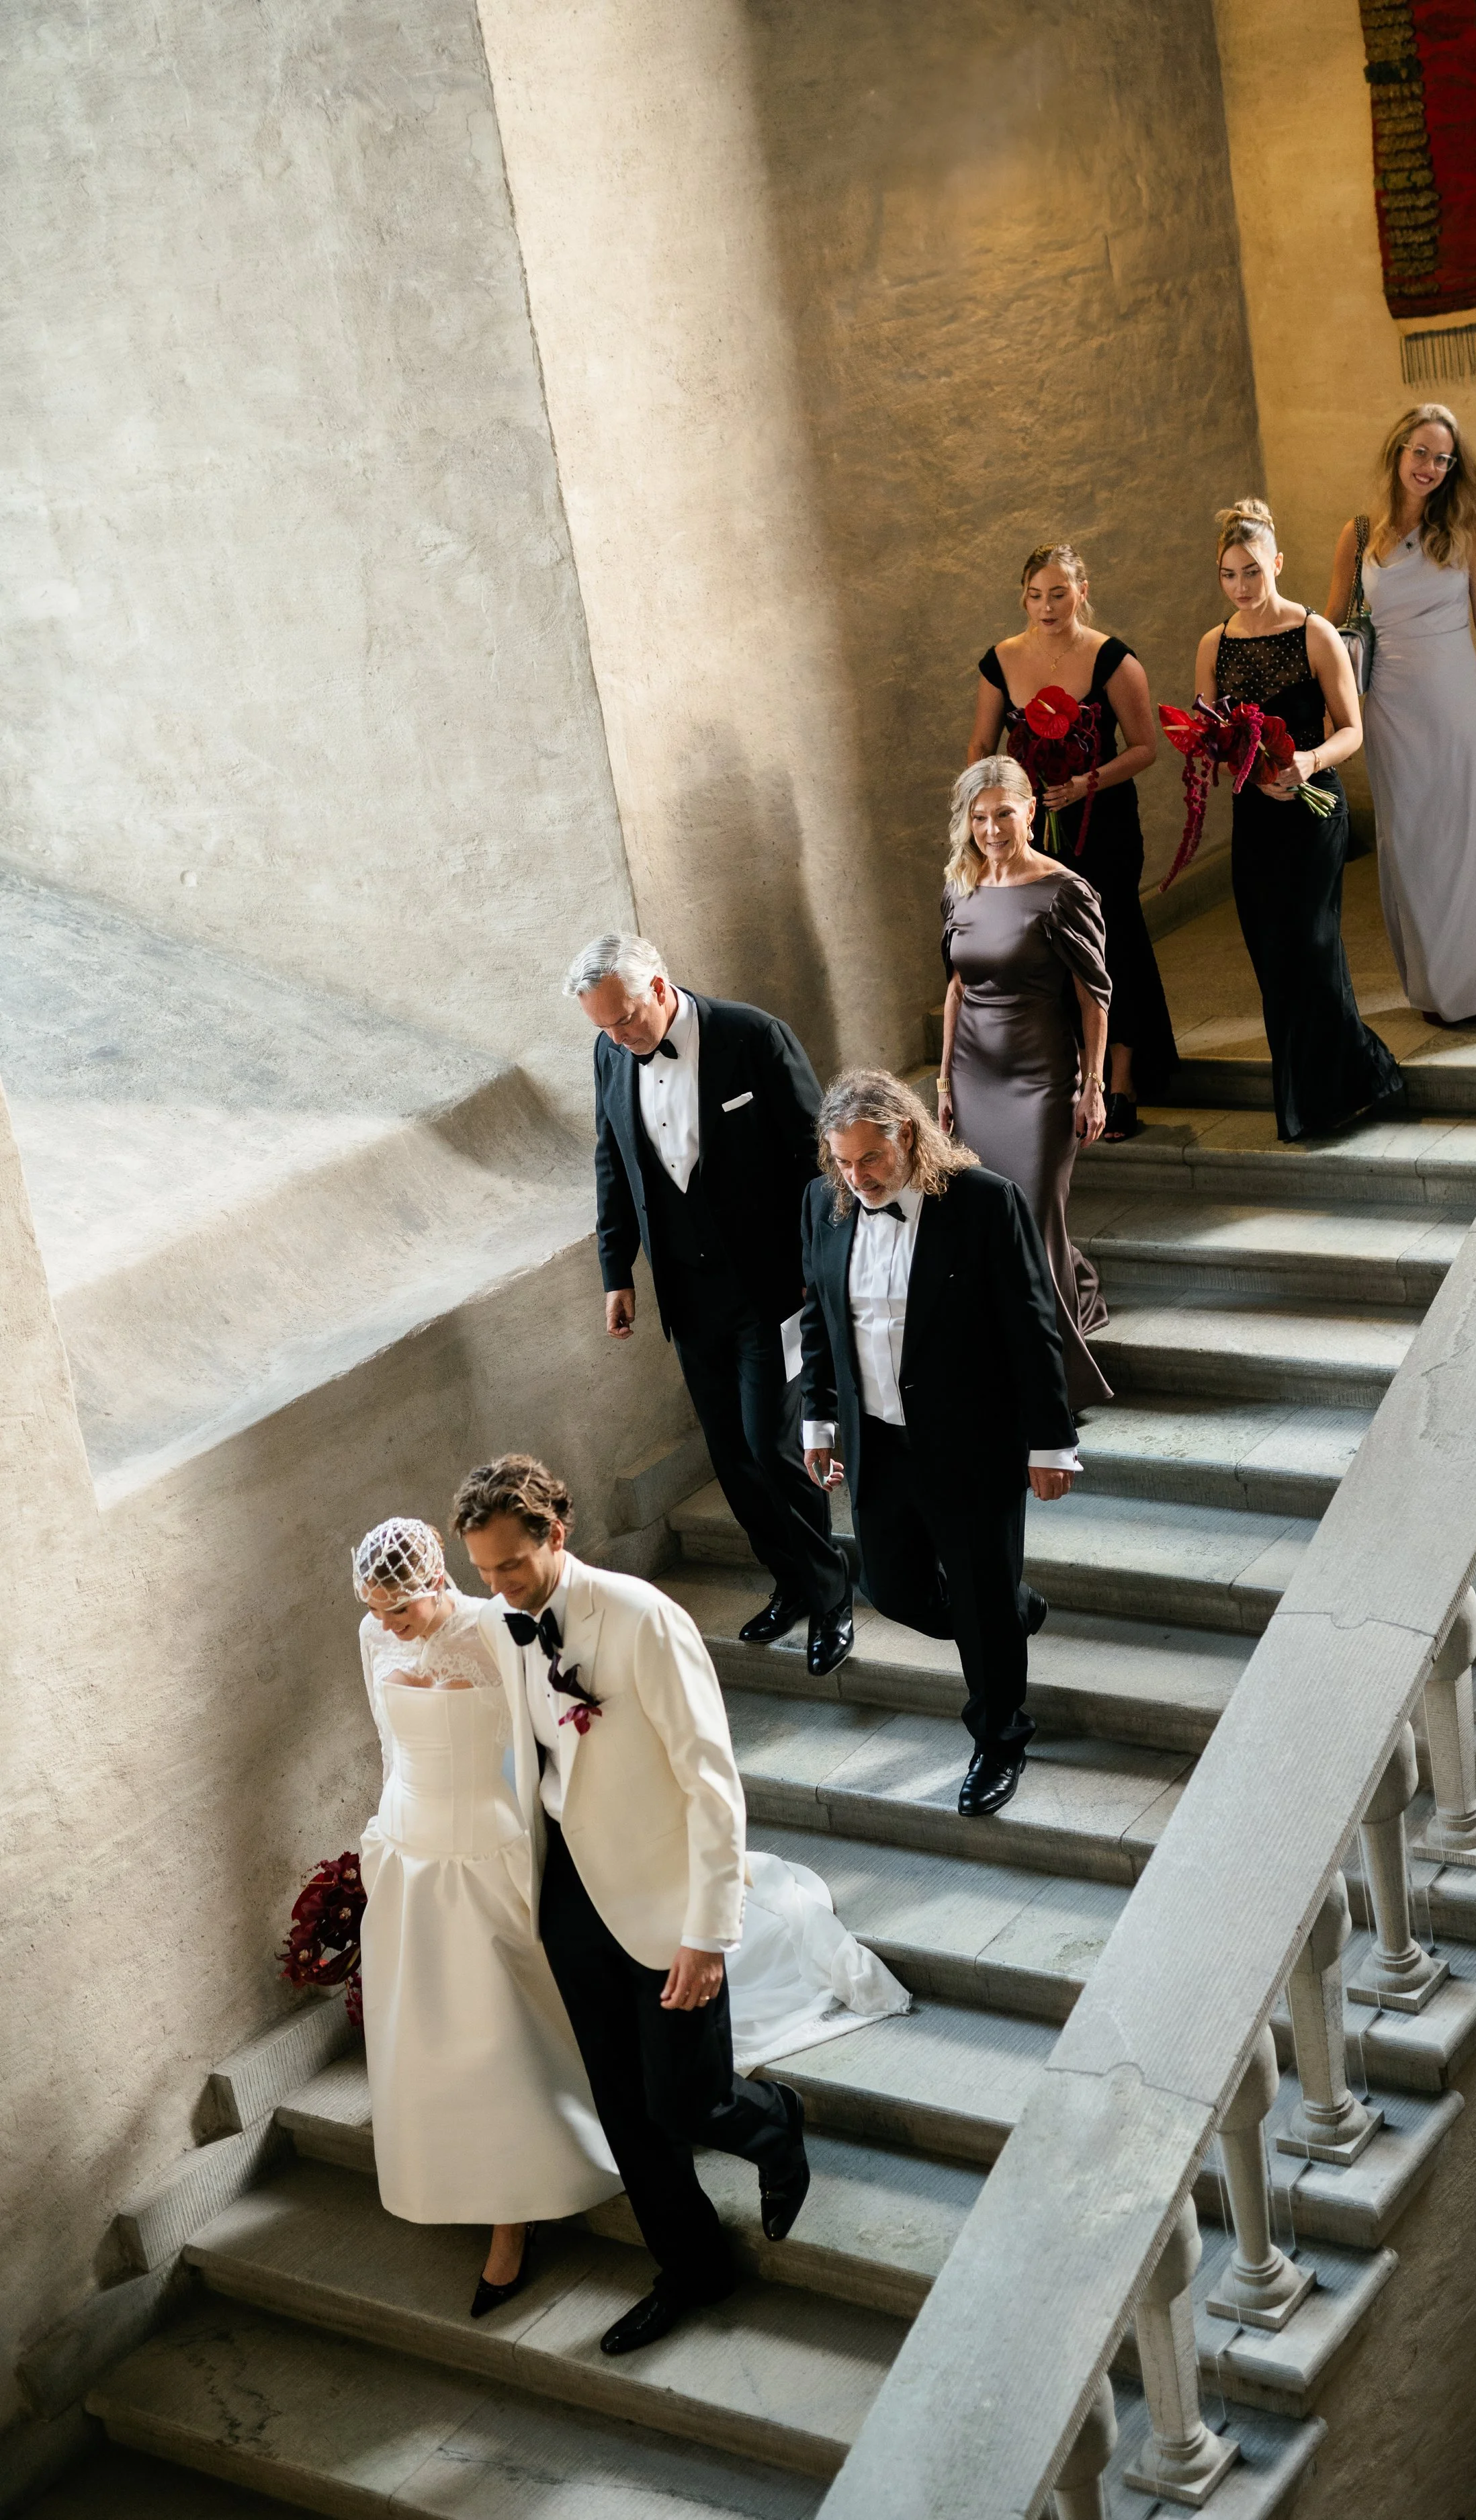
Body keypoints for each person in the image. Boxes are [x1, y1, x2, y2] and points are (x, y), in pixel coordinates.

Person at [450, 1455, 909, 2355]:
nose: (498, 1587)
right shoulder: (506, 1622)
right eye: (483, 1572)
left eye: (510, 1565)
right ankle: (693, 2268)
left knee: (690, 2102)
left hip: (664, 1901)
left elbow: (712, 1783)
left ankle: (773, 2124)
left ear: (555, 1532)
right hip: (571, 1896)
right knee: (626, 2111)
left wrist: (708, 1931)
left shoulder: (641, 1619)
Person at [351, 1517, 621, 2315]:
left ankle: (516, 2216)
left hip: (488, 1851)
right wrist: (379, 1838)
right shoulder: (374, 1636)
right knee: (428, 2034)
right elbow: (387, 1744)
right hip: (408, 1847)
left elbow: (551, 1747)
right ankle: (449, 2173)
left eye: (399, 1609)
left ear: (437, 1583)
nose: (388, 1626)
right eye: (375, 1610)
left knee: (496, 2033)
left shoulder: (501, 1632)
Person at [566, 934, 853, 1677]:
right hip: (687, 1297)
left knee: (772, 1448)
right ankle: (790, 1580)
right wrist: (615, 1270)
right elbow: (612, 1160)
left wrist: (816, 1271)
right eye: (605, 1027)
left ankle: (831, 1595)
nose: (621, 1038)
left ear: (660, 988)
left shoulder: (752, 1036)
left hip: (770, 1287)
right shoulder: (610, 1054)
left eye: (627, 1019)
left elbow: (816, 1163)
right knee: (731, 1456)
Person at [799, 1071, 1080, 1823]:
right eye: (843, 1162)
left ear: (909, 1137)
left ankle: (1000, 1738)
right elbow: (820, 1319)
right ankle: (1009, 1610)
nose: (857, 1179)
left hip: (972, 1443)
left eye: (871, 1160)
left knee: (980, 1603)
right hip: (877, 1444)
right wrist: (818, 1422)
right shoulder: (822, 1206)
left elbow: (1030, 1325)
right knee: (892, 1589)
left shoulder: (984, 1202)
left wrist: (1050, 1442)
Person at [1197, 499, 1403, 1142]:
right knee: (1271, 956)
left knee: (1312, 948)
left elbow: (1353, 731)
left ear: (1277, 563)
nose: (1242, 587)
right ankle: (1324, 1091)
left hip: (1314, 815)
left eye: (1252, 571)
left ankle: (1340, 1090)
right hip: (1254, 818)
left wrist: (1306, 764)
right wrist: (1229, 758)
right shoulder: (1214, 644)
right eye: (1230, 575)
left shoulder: (1316, 633)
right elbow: (1207, 731)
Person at [968, 541, 1177, 1137]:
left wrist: (1088, 783)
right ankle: (1063, 1077)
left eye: (1059, 593)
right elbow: (981, 746)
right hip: (1030, 832)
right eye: (1036, 595)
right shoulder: (1000, 661)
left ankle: (1122, 1080)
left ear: (1082, 592)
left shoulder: (1113, 660)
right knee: (1047, 951)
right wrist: (990, 810)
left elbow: (1145, 748)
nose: (1047, 606)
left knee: (1114, 943)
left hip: (1102, 823)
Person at [1328, 404, 1476, 1027]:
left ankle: (1468, 993)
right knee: (1405, 843)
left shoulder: (1465, 530)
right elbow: (1332, 632)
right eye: (1420, 452)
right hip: (1387, 704)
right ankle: (1432, 988)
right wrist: (1330, 713)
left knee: (1459, 843)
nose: (1430, 466)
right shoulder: (1358, 536)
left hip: (1456, 700)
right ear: (1397, 452)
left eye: (1443, 457)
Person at [938, 754, 1114, 1411]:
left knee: (1033, 1222)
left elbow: (1095, 996)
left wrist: (1092, 1087)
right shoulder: (959, 886)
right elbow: (955, 987)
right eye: (979, 818)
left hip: (1042, 1082)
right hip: (974, 1078)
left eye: (1003, 814)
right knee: (996, 1224)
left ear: (1030, 810)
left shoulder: (1065, 891)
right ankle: (1048, 1325)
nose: (991, 829)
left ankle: (1053, 1387)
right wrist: (944, 1083)